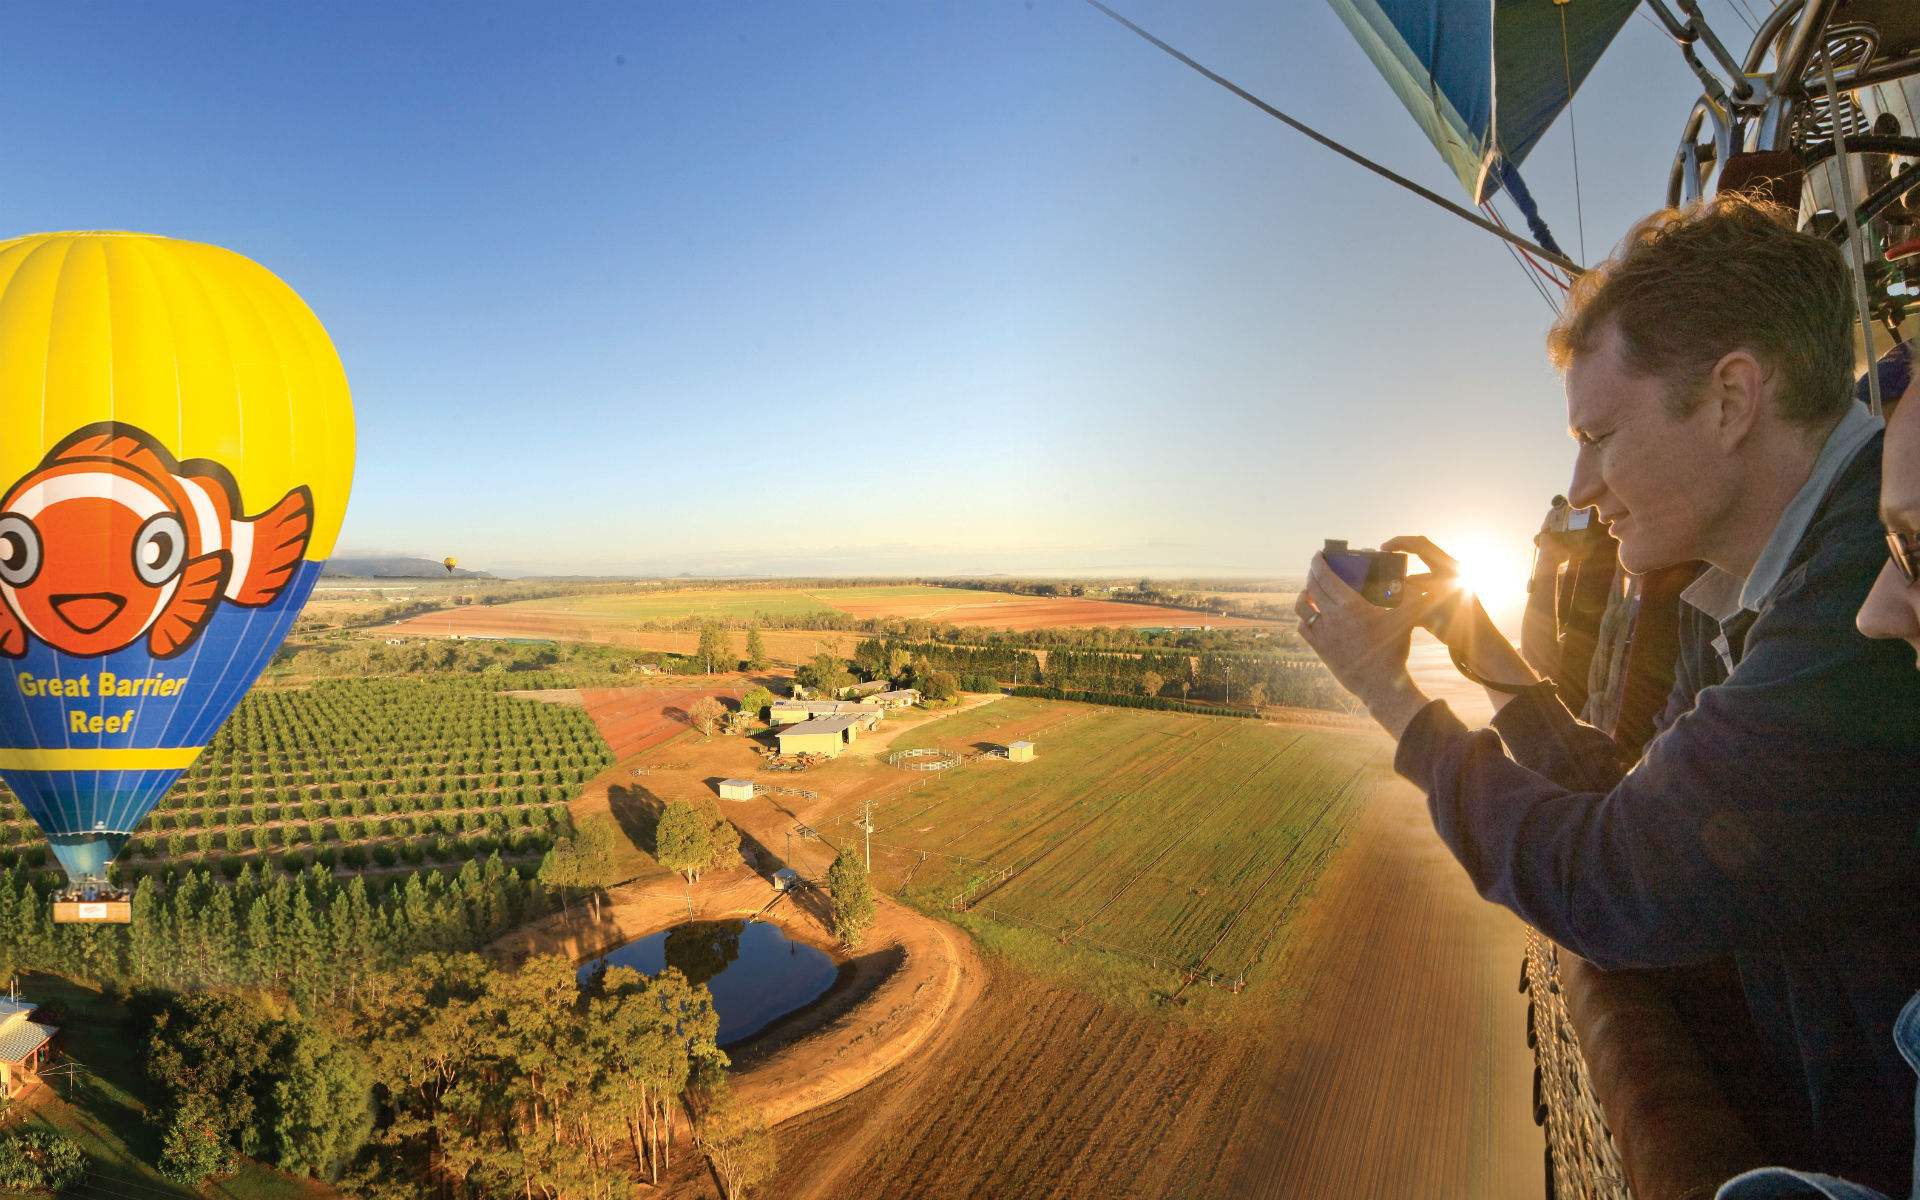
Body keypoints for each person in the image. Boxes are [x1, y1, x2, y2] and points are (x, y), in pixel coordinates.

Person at [1295, 194, 1920, 1191]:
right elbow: (1647, 802)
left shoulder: (1862, 601)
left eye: (1600, 434)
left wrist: (1400, 710)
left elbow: (1620, 876)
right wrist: (1490, 660)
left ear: (1729, 400)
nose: (1580, 484)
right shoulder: (1785, 581)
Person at [1712, 337, 1920, 1200]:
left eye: (1917, 549)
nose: (1873, 614)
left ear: (1732, 401)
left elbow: (1629, 868)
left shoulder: (1816, 610)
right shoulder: (1724, 603)